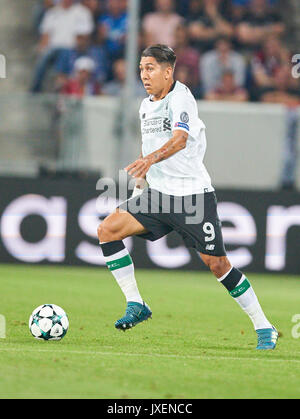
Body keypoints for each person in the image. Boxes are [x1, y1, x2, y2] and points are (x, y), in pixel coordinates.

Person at [97, 44, 278, 350]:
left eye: (150, 68)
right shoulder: (145, 105)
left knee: (217, 264)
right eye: (141, 68)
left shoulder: (181, 98)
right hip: (158, 196)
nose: (144, 74)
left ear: (168, 72)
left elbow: (179, 141)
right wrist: (141, 183)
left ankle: (264, 327)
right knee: (107, 230)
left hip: (192, 197)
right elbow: (147, 146)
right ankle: (136, 303)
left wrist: (150, 161)